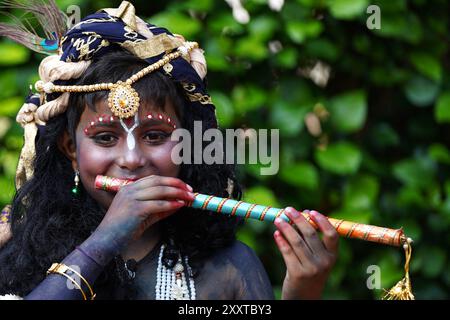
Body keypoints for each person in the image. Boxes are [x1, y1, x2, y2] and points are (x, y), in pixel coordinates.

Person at [0, 0, 338, 300]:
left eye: (156, 136)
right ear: (71, 148)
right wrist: (104, 241)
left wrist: (302, 294)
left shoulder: (230, 267)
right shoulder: (16, 255)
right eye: (104, 137)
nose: (132, 160)